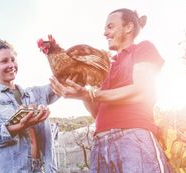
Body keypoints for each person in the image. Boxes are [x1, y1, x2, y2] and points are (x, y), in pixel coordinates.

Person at [50, 8, 174, 173]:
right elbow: (96, 112)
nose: (105, 33)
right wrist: (81, 91)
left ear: (128, 27)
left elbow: (142, 91)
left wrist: (91, 93)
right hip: (100, 143)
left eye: (110, 27)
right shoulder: (105, 66)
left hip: (133, 137)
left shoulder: (142, 49)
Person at [0, 39, 59, 173]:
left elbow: (63, 82)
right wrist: (15, 127)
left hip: (36, 168)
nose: (11, 64)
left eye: (13, 59)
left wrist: (55, 51)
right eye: (4, 61)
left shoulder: (35, 94)